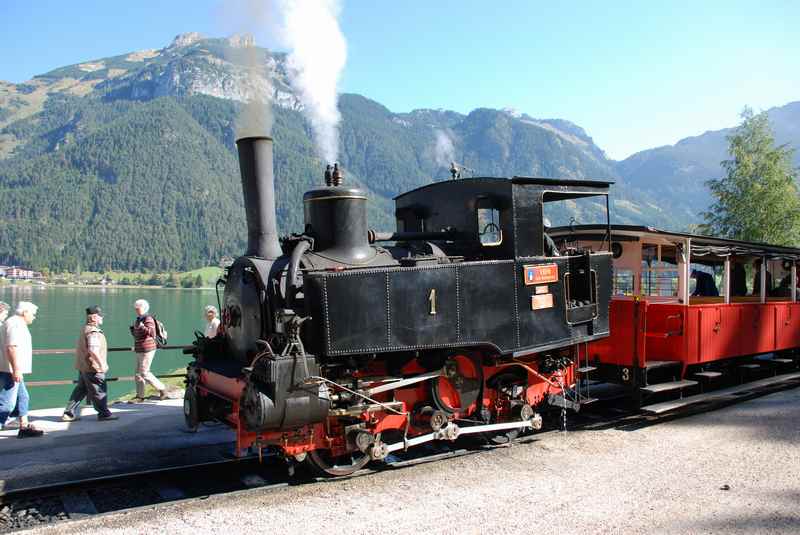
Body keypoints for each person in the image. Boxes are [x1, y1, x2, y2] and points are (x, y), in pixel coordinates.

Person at [62, 306, 118, 422]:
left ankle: (68, 413)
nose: (102, 318)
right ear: (93, 317)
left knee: (81, 390)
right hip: (93, 368)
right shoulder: (93, 331)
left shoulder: (85, 329)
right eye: (100, 316)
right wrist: (102, 364)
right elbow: (93, 350)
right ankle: (104, 414)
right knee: (99, 390)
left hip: (83, 367)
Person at [0, 301, 44, 437]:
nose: (34, 317)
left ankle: (24, 427)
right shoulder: (15, 324)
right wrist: (16, 370)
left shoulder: (15, 323)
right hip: (11, 370)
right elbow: (12, 347)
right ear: (25, 312)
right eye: (33, 314)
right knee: (7, 403)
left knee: (23, 397)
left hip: (12, 369)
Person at [130, 299, 166, 402]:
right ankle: (140, 396)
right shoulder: (138, 319)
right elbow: (137, 334)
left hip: (147, 349)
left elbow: (152, 332)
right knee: (137, 373)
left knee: (144, 372)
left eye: (138, 308)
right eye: (135, 308)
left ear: (144, 308)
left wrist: (141, 327)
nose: (136, 310)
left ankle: (162, 389)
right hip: (139, 349)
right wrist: (134, 330)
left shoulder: (148, 318)